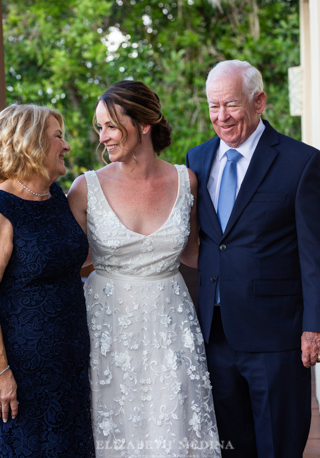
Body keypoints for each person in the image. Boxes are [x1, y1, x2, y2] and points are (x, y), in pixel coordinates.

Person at [68, 80, 221, 457]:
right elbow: (66, 264)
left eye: (111, 126)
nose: (102, 137)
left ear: (144, 124)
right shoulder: (85, 188)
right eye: (99, 127)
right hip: (106, 327)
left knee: (172, 423)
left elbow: (196, 254)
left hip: (170, 321)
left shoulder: (187, 180)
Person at [185, 59, 320, 458]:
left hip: (277, 339)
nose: (221, 117)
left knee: (279, 446)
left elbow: (318, 254)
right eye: (213, 106)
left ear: (259, 101)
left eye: (230, 104)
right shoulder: (195, 160)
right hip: (215, 335)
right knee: (231, 448)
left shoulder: (302, 163)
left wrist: (317, 326)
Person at [0, 104, 95, 457]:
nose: (67, 146)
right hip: (24, 374)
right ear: (31, 143)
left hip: (70, 362)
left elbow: (70, 262)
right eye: (59, 137)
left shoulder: (56, 197)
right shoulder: (2, 208)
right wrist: (2, 374)